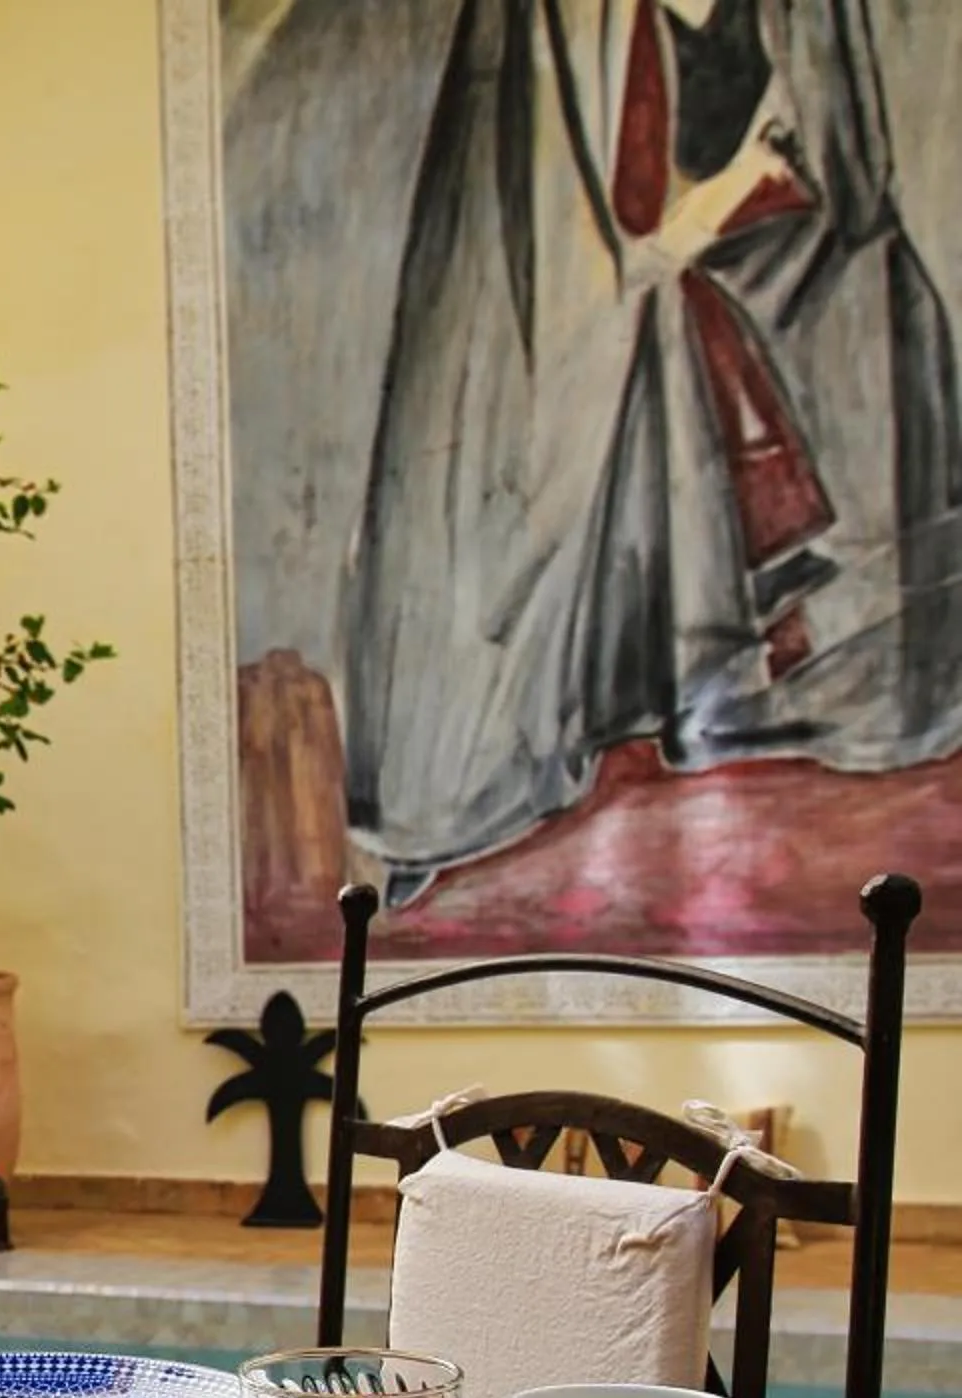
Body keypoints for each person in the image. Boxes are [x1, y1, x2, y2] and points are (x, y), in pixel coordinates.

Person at [337, 0, 962, 905]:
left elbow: (824, 186)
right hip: (619, 318)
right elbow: (611, 253)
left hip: (707, 287)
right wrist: (722, 195)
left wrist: (747, 186)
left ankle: (755, 675)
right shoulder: (566, 45)